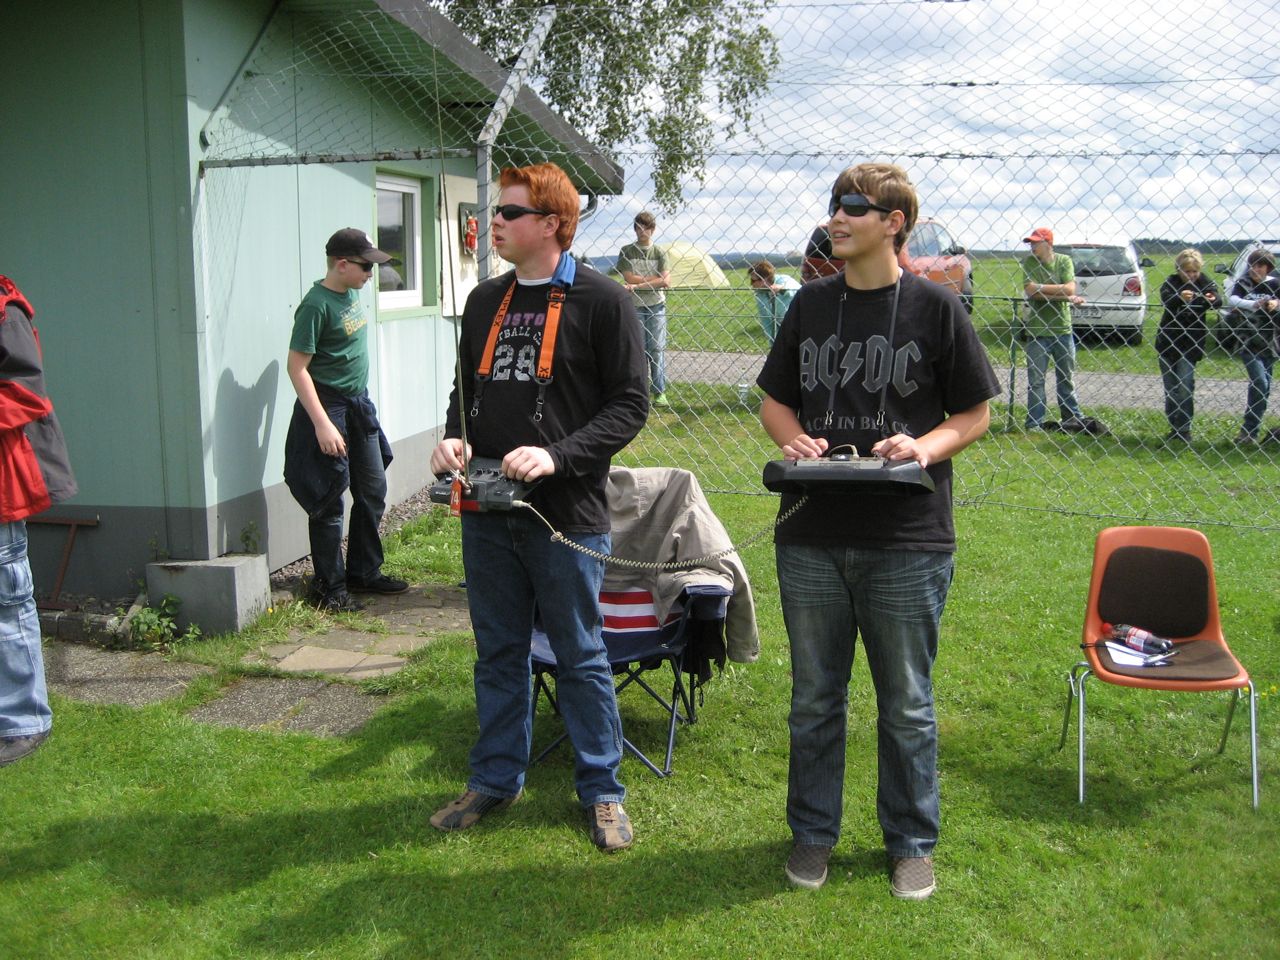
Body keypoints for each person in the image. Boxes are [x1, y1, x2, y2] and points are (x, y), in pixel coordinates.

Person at [756, 164, 999, 899]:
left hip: (907, 539)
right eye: (834, 205)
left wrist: (922, 447)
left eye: (854, 207)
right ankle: (812, 835)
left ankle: (911, 843)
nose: (837, 217)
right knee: (814, 699)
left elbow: (975, 414)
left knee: (907, 704)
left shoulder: (936, 307)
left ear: (895, 223)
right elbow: (774, 401)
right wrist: (794, 439)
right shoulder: (809, 304)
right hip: (811, 535)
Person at [429, 162, 649, 853]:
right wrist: (455, 438)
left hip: (565, 515)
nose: (493, 221)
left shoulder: (604, 301)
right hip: (486, 511)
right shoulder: (484, 301)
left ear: (551, 224)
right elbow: (466, 392)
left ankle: (603, 791)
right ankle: (495, 779)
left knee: (581, 655)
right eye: (496, 211)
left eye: (509, 212)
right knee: (498, 652)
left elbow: (630, 406)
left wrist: (557, 455)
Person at [284, 228, 409, 613]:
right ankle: (330, 588)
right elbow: (296, 368)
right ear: (341, 264)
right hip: (328, 408)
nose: (371, 274)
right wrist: (321, 423)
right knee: (329, 500)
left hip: (358, 404)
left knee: (372, 489)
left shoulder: (351, 292)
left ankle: (363, 572)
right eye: (365, 267)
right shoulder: (315, 306)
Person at [1, 275, 77, 767]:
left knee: (7, 603)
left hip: (4, 481)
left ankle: (23, 720)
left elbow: (26, 392)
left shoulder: (5, 311)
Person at [1019, 227, 1106, 434]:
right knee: (1036, 380)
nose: (1032, 246)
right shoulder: (1030, 262)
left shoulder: (1064, 261)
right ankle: (1034, 422)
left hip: (1062, 329)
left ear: (1048, 243)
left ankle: (1072, 418)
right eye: (1031, 243)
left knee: (1066, 377)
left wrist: (1042, 288)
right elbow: (1030, 291)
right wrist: (1063, 295)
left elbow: (1070, 288)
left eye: (1036, 242)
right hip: (1038, 330)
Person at [1155, 249, 1219, 443]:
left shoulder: (1204, 282)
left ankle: (1184, 428)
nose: (1191, 275)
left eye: (1194, 271)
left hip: (1191, 343)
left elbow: (1217, 300)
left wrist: (1210, 299)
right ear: (1179, 269)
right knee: (1171, 388)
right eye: (1187, 271)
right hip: (1168, 342)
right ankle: (1174, 425)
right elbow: (1166, 299)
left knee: (1185, 385)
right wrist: (1180, 297)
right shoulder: (1171, 282)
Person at [1225, 248, 1280, 445]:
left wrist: (1275, 304)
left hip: (1270, 344)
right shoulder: (1244, 283)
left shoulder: (1275, 284)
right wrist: (1253, 305)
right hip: (1248, 342)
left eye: (1260, 266)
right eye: (1252, 265)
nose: (1255, 269)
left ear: (1268, 268)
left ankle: (1250, 432)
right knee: (1260, 383)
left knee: (1263, 389)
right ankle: (1249, 429)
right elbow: (1232, 299)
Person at [618, 211, 671, 407]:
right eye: (639, 228)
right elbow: (628, 278)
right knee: (638, 349)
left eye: (647, 228)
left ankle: (659, 392)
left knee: (656, 349)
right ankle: (639, 391)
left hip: (657, 304)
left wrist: (638, 285)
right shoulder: (627, 251)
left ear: (653, 230)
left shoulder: (659, 252)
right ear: (635, 229)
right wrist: (655, 280)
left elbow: (666, 281)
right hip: (634, 306)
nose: (643, 232)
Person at [748, 260, 801, 344]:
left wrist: (782, 288)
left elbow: (796, 289)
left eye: (754, 280)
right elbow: (766, 320)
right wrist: (773, 342)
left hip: (799, 321)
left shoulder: (784, 279)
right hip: (782, 327)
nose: (751, 284)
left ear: (764, 279)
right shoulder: (760, 293)